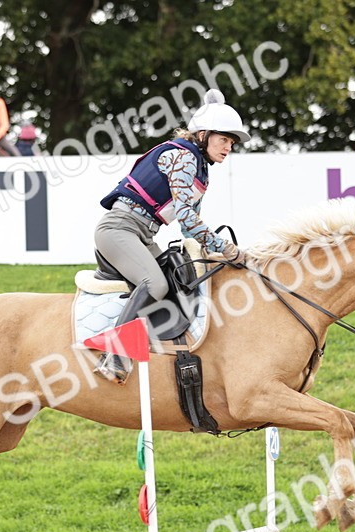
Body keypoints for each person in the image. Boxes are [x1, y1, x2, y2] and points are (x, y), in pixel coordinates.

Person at [92, 88, 249, 384]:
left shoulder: (201, 169)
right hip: (119, 229)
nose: (229, 147)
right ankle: (114, 354)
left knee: (178, 281)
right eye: (224, 139)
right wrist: (226, 248)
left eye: (232, 143)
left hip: (142, 234)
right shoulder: (185, 159)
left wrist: (214, 252)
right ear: (203, 135)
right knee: (156, 283)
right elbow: (187, 216)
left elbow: (188, 228)